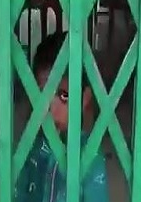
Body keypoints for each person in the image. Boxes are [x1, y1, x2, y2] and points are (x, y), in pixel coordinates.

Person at [15, 32, 109, 202]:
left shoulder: (90, 157)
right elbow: (19, 193)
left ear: (84, 99)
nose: (51, 108)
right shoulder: (31, 146)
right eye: (43, 93)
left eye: (64, 96)